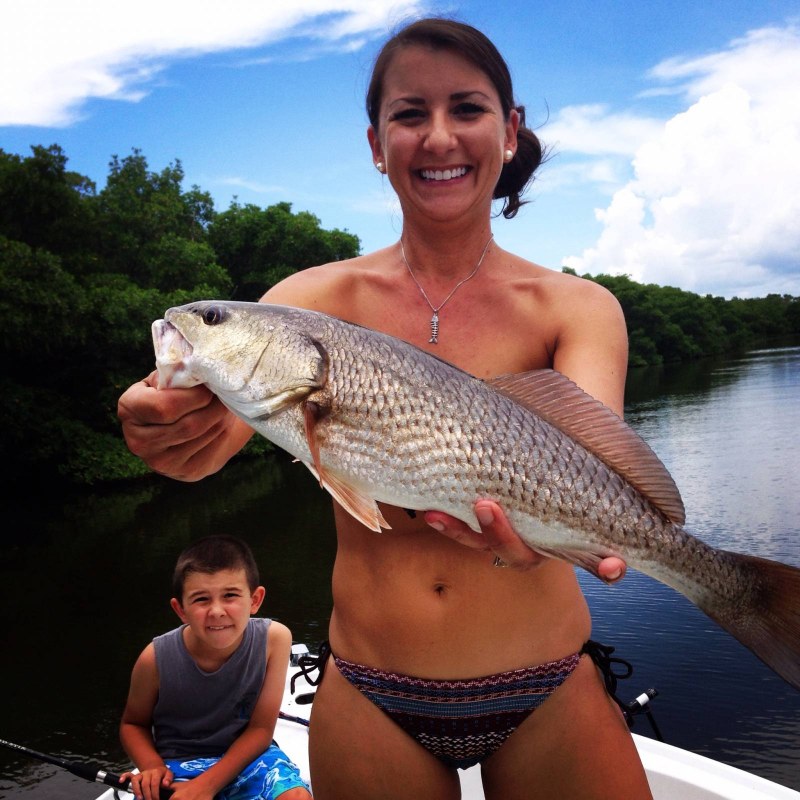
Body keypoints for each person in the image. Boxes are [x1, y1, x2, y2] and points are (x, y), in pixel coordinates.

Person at [118, 17, 653, 800]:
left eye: (466, 109)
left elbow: (594, 472)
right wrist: (164, 429)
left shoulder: (580, 307)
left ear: (509, 132)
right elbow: (214, 441)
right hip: (372, 692)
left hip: (546, 684)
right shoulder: (307, 303)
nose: (438, 137)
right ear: (376, 143)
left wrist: (554, 536)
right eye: (409, 115)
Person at [118, 535, 311, 800]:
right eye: (201, 599)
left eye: (230, 595)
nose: (217, 611)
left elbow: (261, 730)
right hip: (176, 763)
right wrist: (152, 767)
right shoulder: (154, 658)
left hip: (248, 757)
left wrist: (207, 786)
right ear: (180, 609)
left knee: (296, 796)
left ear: (255, 599)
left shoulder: (274, 640)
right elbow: (133, 724)